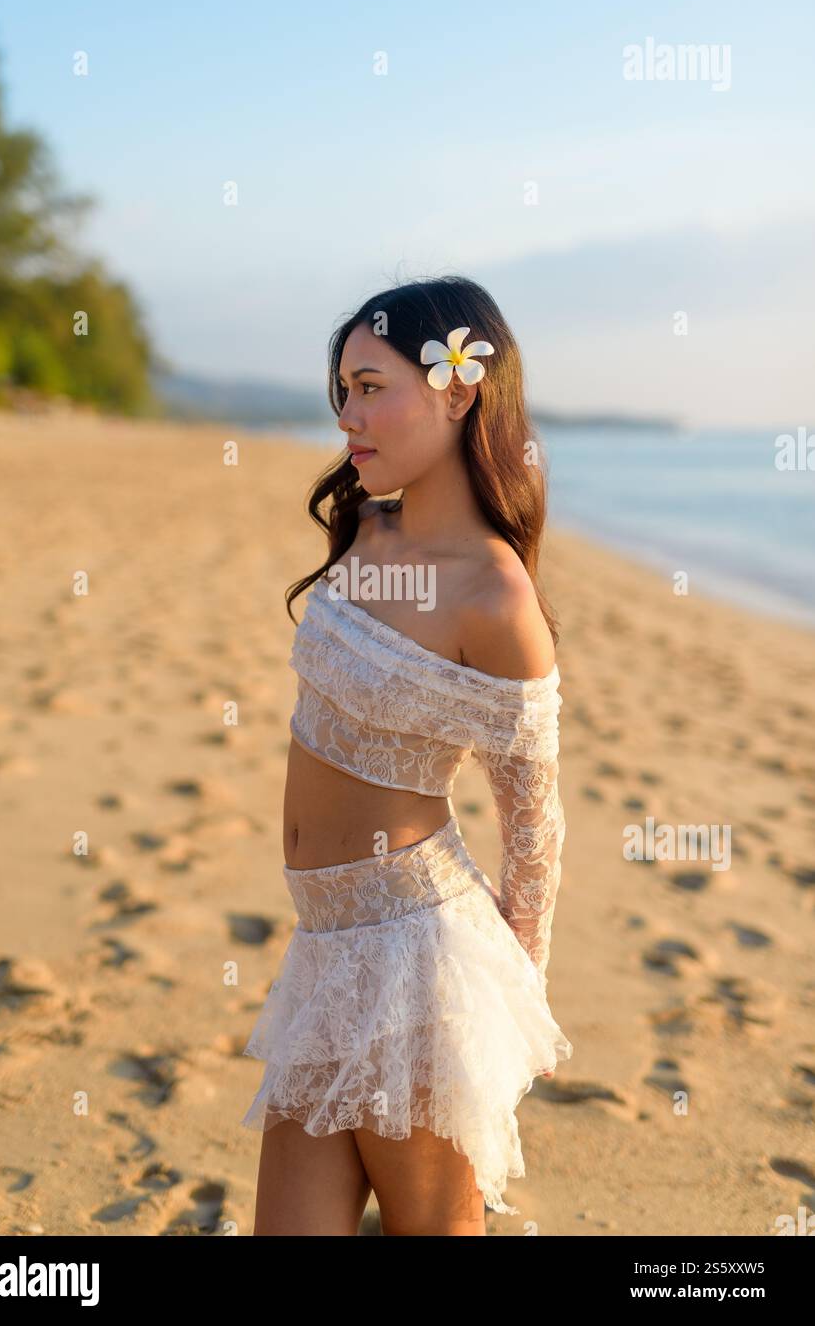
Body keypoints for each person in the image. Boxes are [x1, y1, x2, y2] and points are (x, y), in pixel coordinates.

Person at [241, 275, 573, 1236]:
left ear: (459, 390)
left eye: (373, 386)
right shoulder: (363, 527)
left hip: (416, 965)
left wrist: (515, 1002)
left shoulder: (495, 600)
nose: (349, 416)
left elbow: (533, 823)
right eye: (342, 389)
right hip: (323, 948)